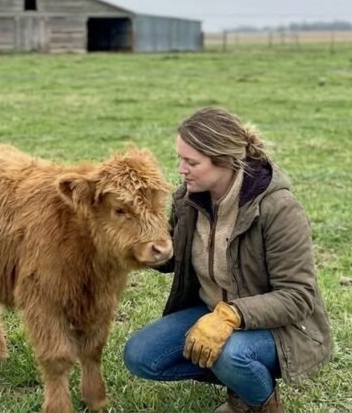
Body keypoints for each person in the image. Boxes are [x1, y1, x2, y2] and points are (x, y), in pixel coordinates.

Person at [124, 107, 332, 413]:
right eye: (180, 159)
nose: (181, 169)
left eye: (191, 162)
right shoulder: (188, 199)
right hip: (212, 310)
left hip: (281, 327)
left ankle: (256, 402)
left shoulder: (278, 208)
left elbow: (298, 297)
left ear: (224, 161)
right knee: (141, 355)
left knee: (228, 353)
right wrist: (148, 246)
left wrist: (231, 316)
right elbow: (171, 258)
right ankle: (237, 375)